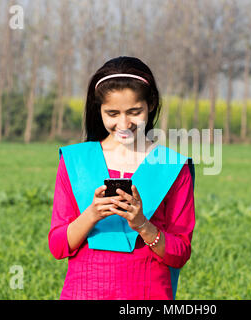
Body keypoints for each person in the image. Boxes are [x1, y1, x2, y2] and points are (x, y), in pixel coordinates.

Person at [48, 56, 196, 300]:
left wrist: (142, 225)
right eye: (112, 113)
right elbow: (58, 246)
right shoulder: (75, 161)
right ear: (99, 110)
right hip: (83, 292)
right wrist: (92, 214)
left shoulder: (172, 167)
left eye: (134, 112)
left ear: (151, 104)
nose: (124, 123)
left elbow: (180, 253)